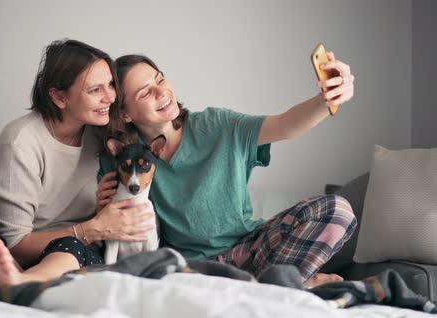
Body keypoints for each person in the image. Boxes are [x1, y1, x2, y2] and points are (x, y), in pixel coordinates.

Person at [97, 52, 357, 287]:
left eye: (160, 79)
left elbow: (286, 125)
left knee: (338, 211)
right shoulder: (124, 158)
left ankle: (274, 285)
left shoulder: (217, 124)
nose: (161, 91)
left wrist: (327, 99)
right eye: (145, 92)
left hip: (252, 248)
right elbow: (111, 223)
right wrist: (99, 205)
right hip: (192, 269)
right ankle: (286, 286)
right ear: (125, 113)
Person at [0, 39, 154, 287]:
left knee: (68, 247)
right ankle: (16, 281)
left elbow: (154, 145)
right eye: (95, 90)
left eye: (111, 84)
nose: (110, 97)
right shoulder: (20, 142)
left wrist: (103, 205)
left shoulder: (106, 134)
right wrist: (92, 228)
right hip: (16, 254)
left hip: (73, 256)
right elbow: (15, 244)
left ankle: (18, 285)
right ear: (59, 97)